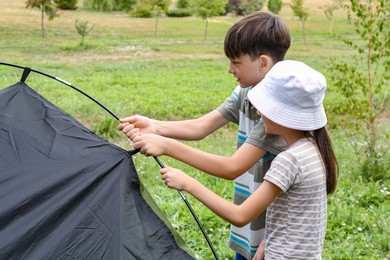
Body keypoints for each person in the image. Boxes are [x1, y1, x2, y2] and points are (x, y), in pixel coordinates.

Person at [118, 11, 290, 259]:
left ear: (263, 63)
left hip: (271, 234)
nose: (230, 69)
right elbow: (201, 127)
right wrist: (154, 125)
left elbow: (232, 167)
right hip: (248, 230)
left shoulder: (276, 115)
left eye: (236, 62)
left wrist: (167, 146)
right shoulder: (245, 93)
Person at [156, 60, 339, 259]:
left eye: (263, 105)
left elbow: (240, 215)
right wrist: (269, 241)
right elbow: (300, 217)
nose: (258, 112)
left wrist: (187, 183)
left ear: (282, 114)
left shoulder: (289, 161)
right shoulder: (313, 149)